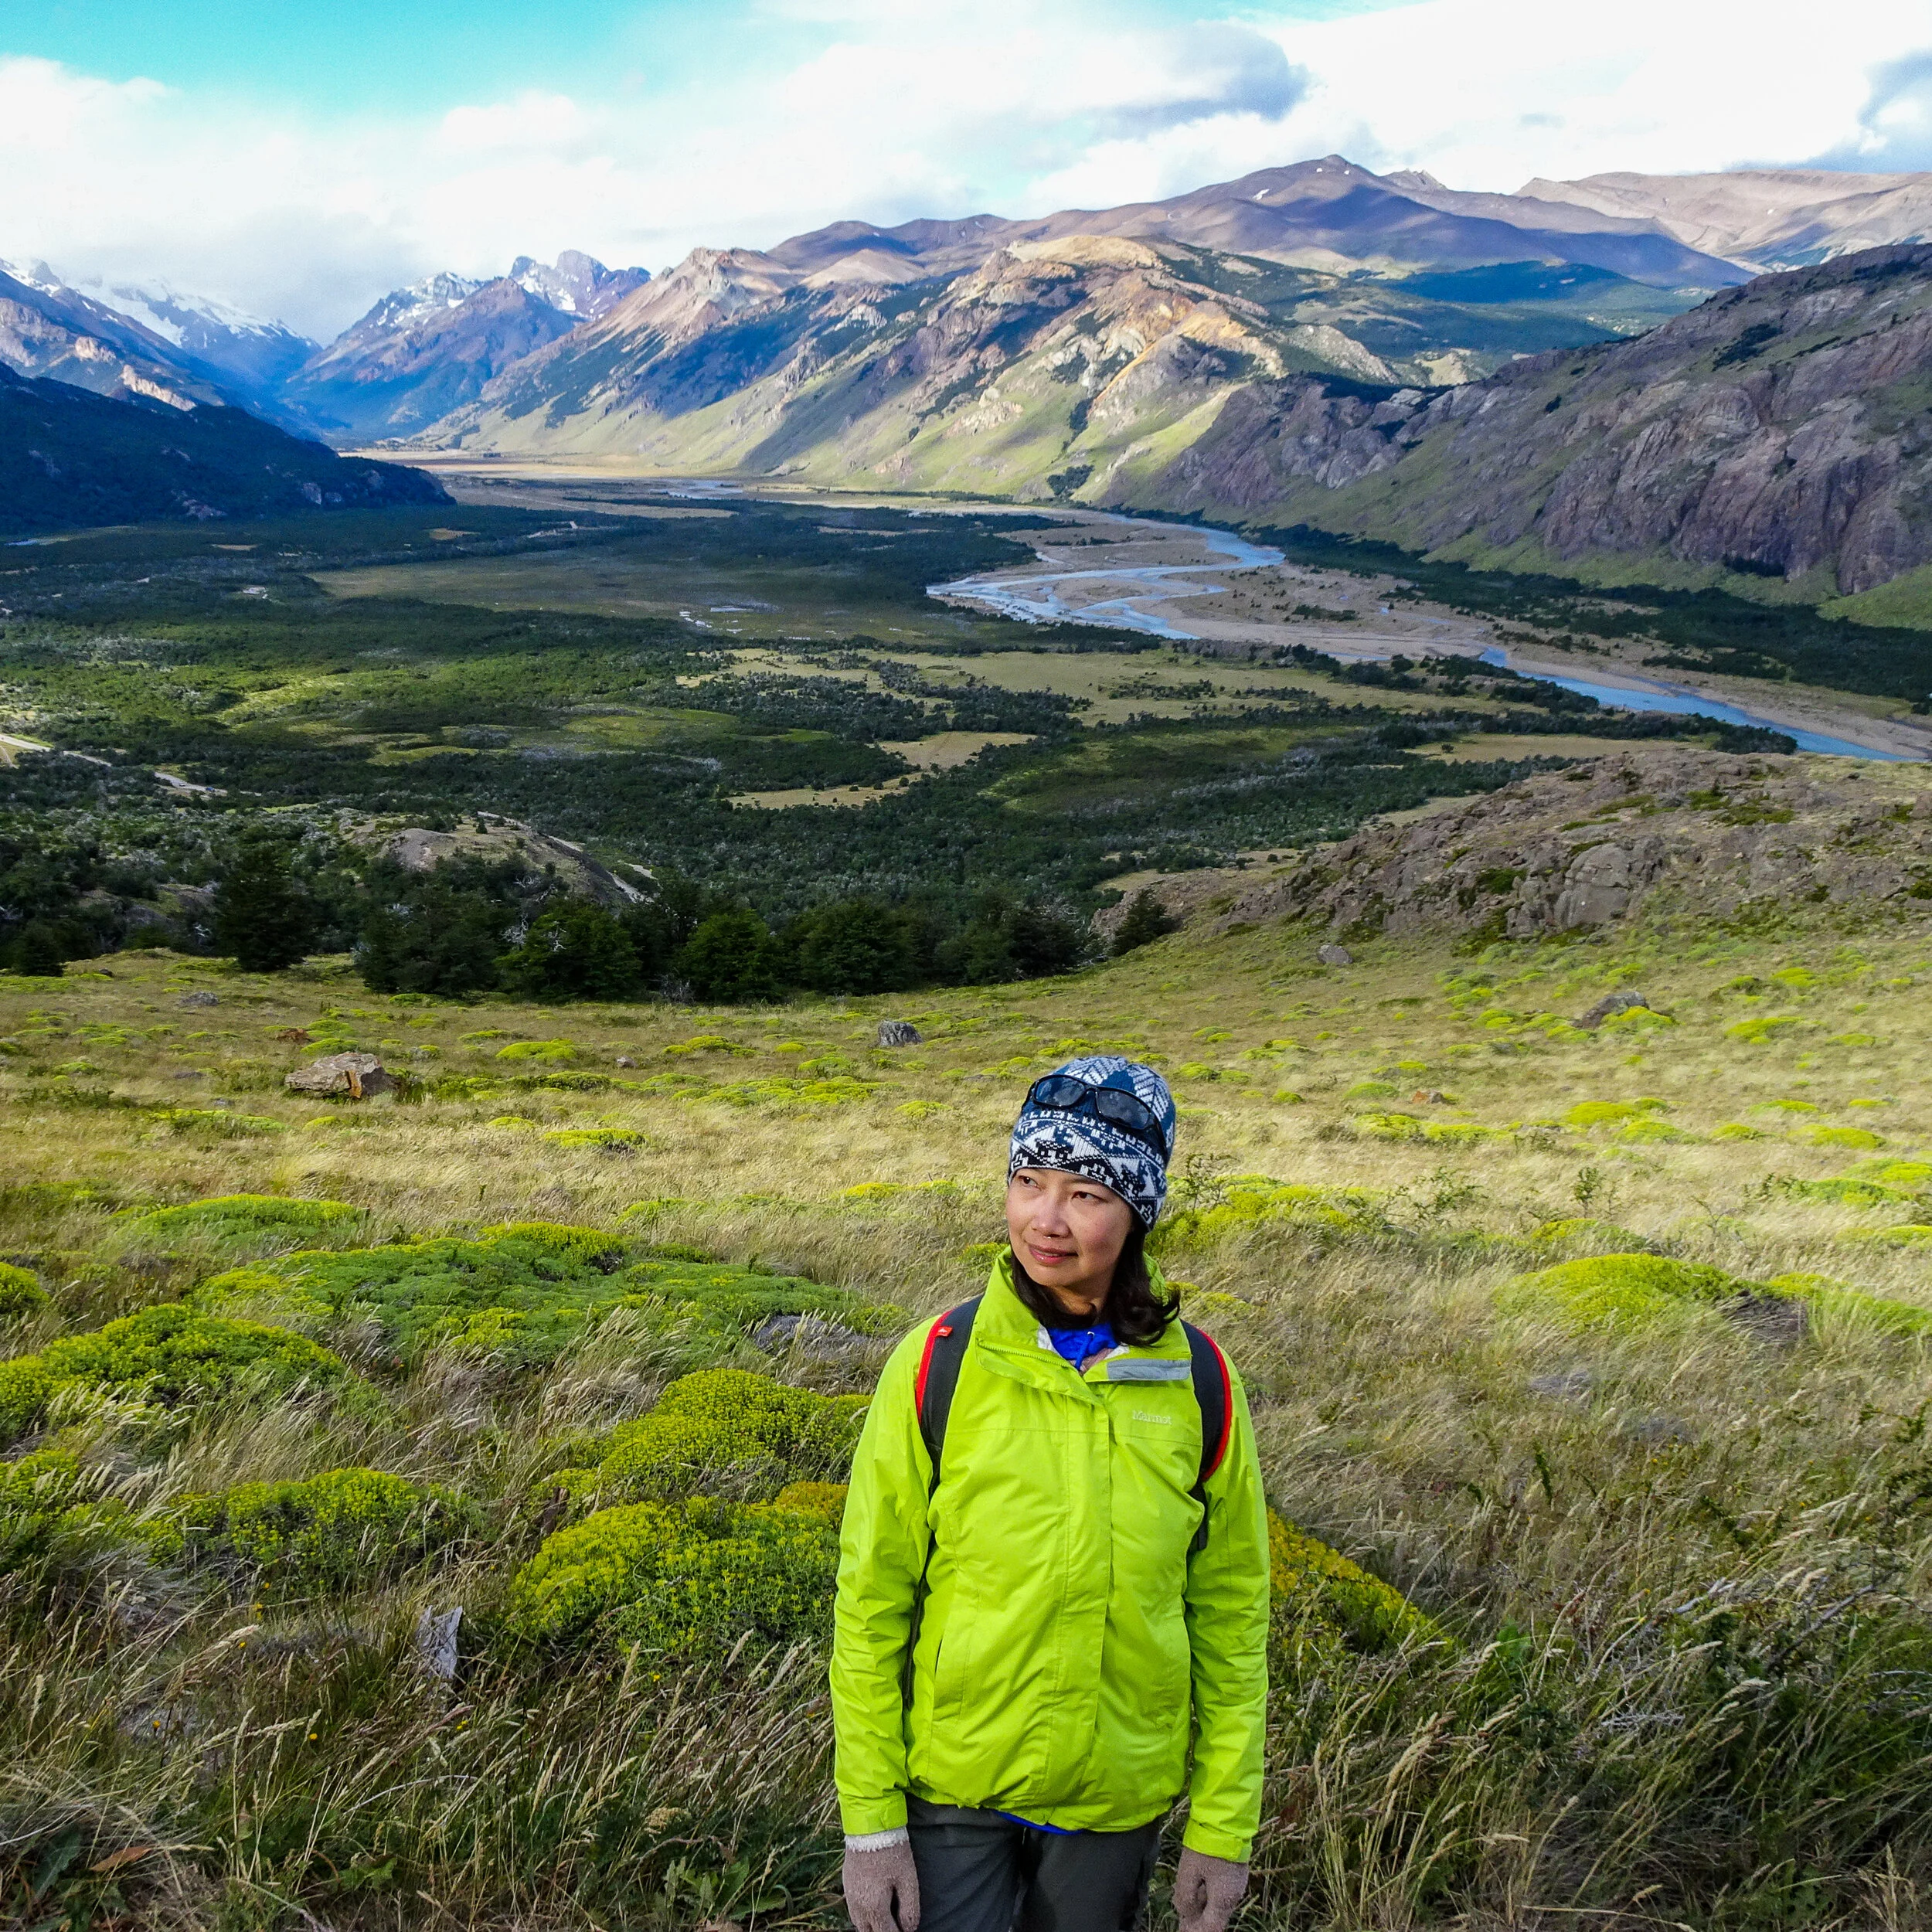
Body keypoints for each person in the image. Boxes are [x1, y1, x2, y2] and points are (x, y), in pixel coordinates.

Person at [833, 1056, 1270, 1932]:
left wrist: (1222, 1829)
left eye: (1085, 1193)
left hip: (1112, 1806)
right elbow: (871, 1600)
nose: (1046, 1218)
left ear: (1138, 1209)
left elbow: (1231, 1615)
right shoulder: (937, 1360)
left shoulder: (1200, 1379)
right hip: (950, 1792)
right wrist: (871, 1824)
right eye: (1028, 1180)